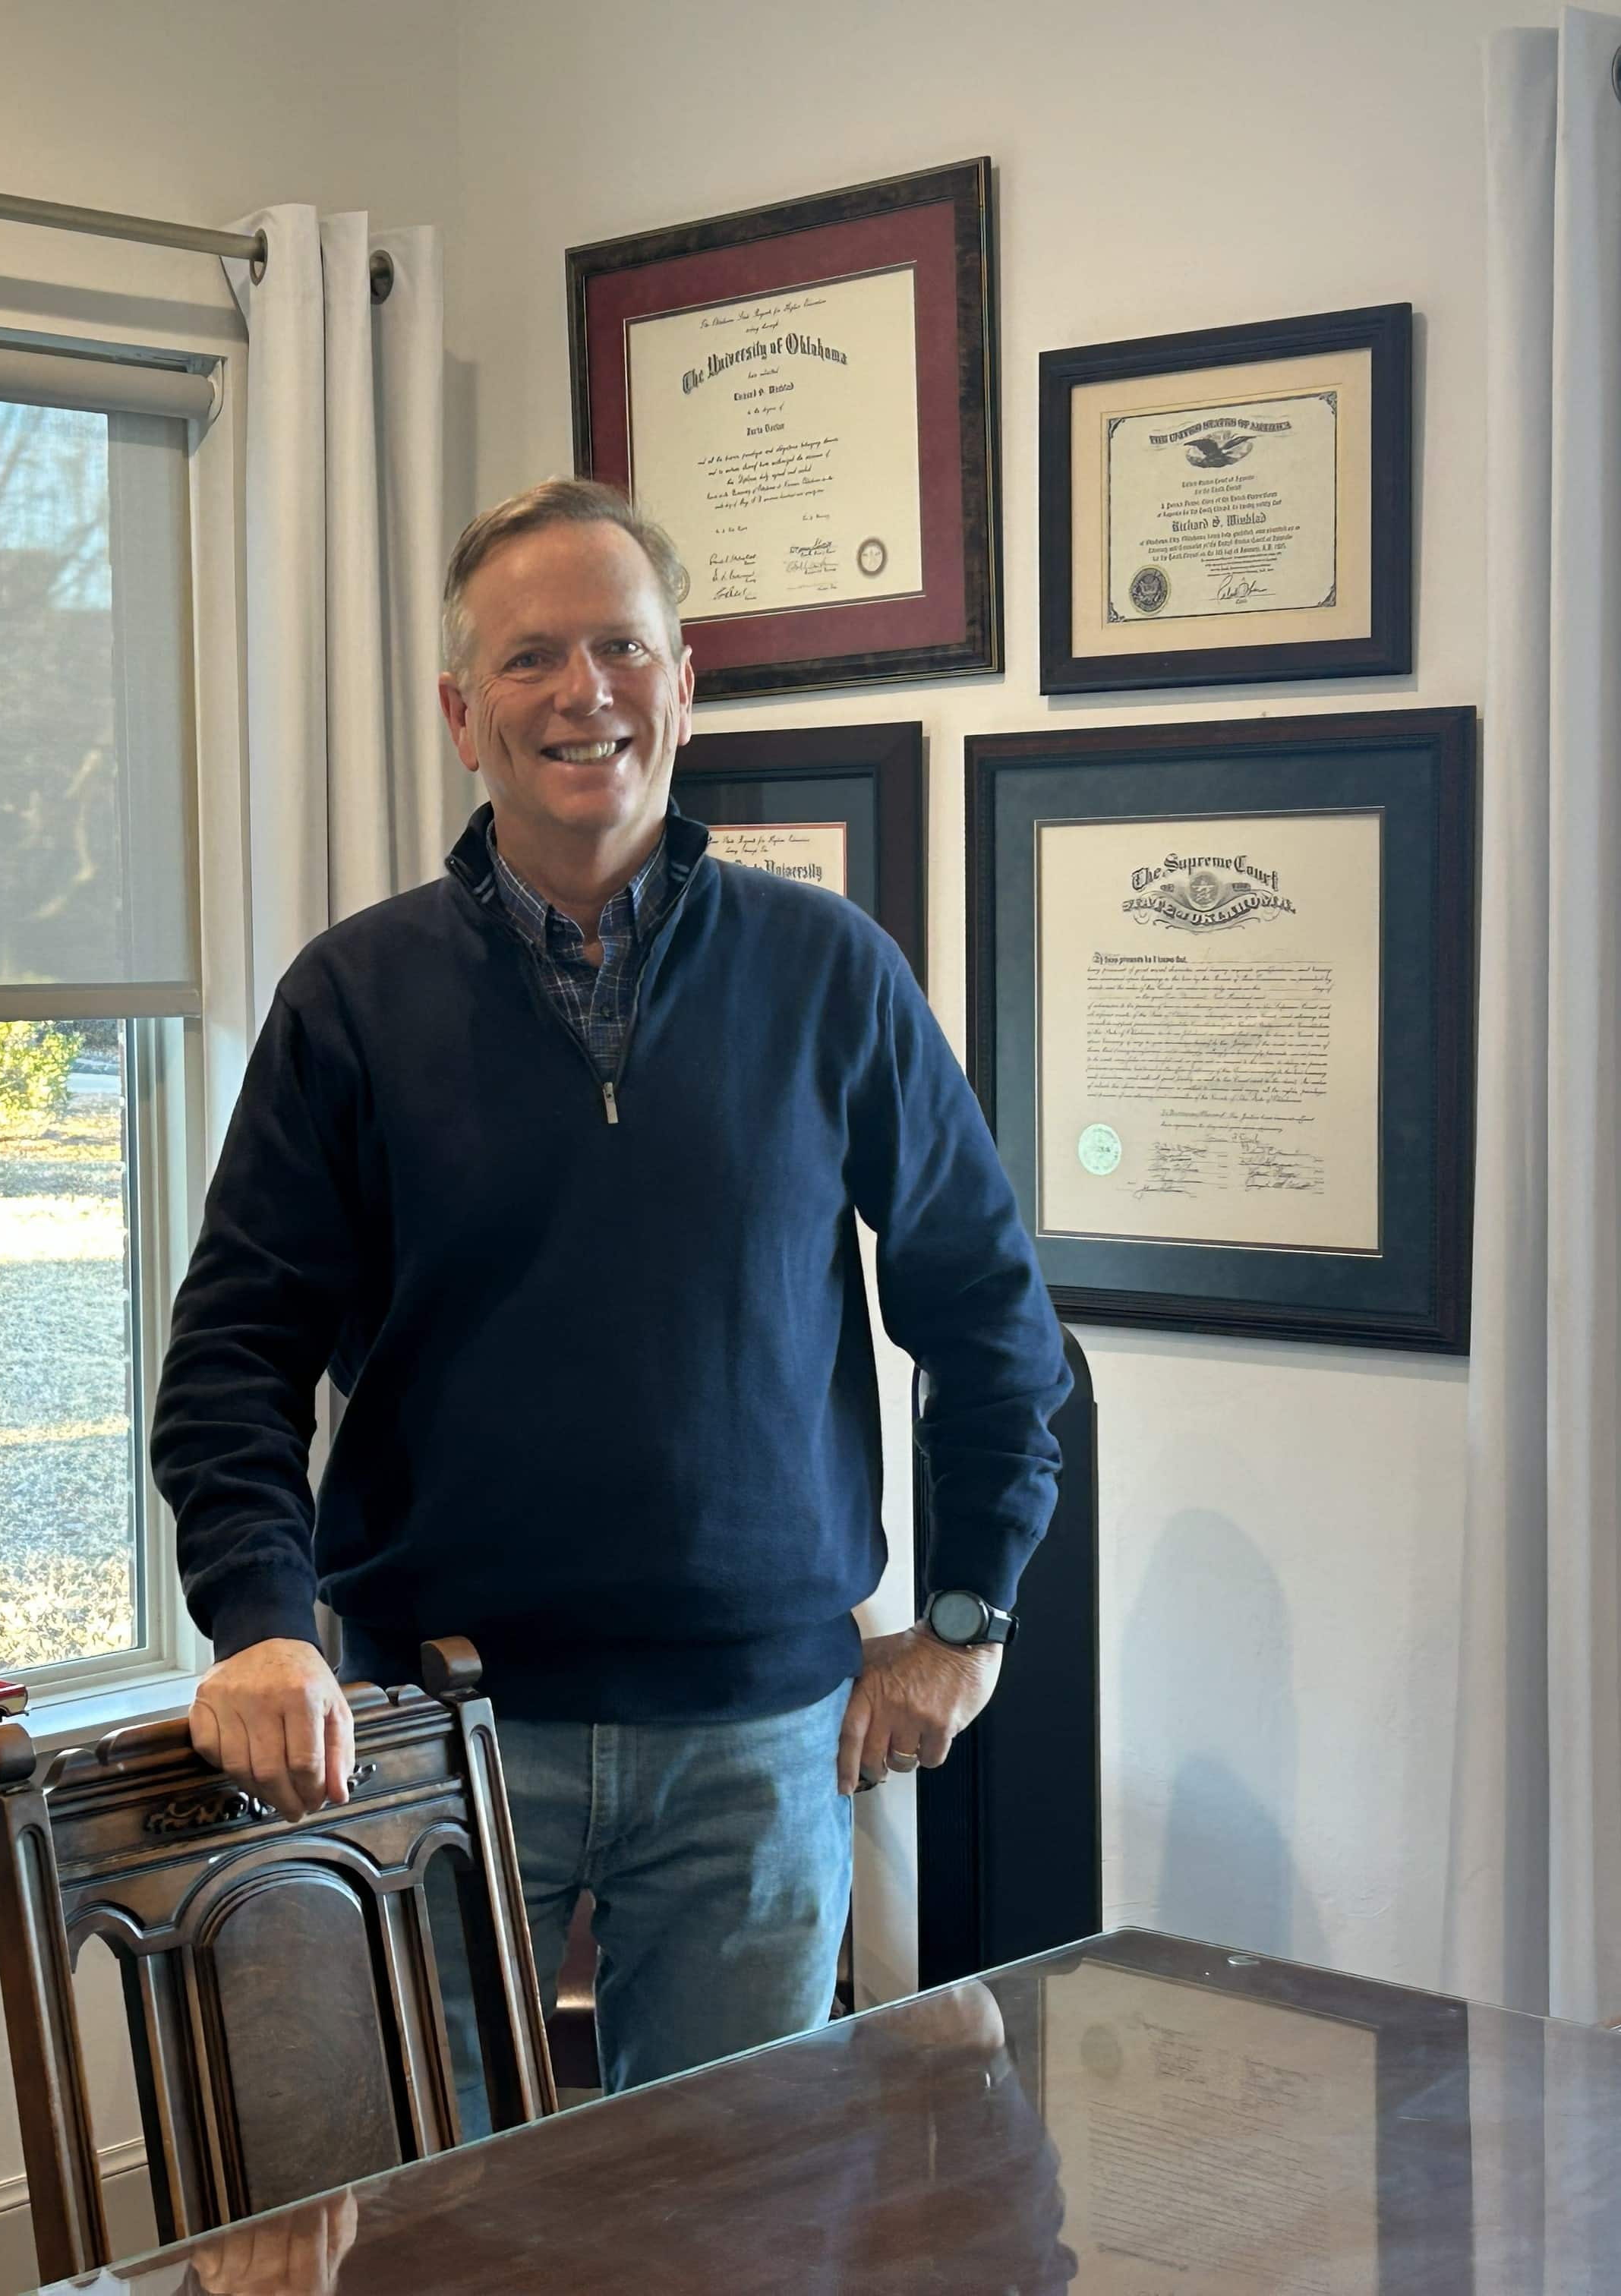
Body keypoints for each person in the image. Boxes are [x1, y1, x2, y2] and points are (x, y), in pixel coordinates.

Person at [150, 476, 1071, 2095]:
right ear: (462, 714)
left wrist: (968, 1616)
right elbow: (234, 1354)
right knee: (433, 2205)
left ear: (684, 684)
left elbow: (990, 1316)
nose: (586, 693)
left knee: (738, 2209)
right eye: (530, 658)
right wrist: (262, 1625)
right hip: (432, 1733)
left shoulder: (830, 973)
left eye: (623, 648)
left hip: (759, 1743)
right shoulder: (351, 1000)